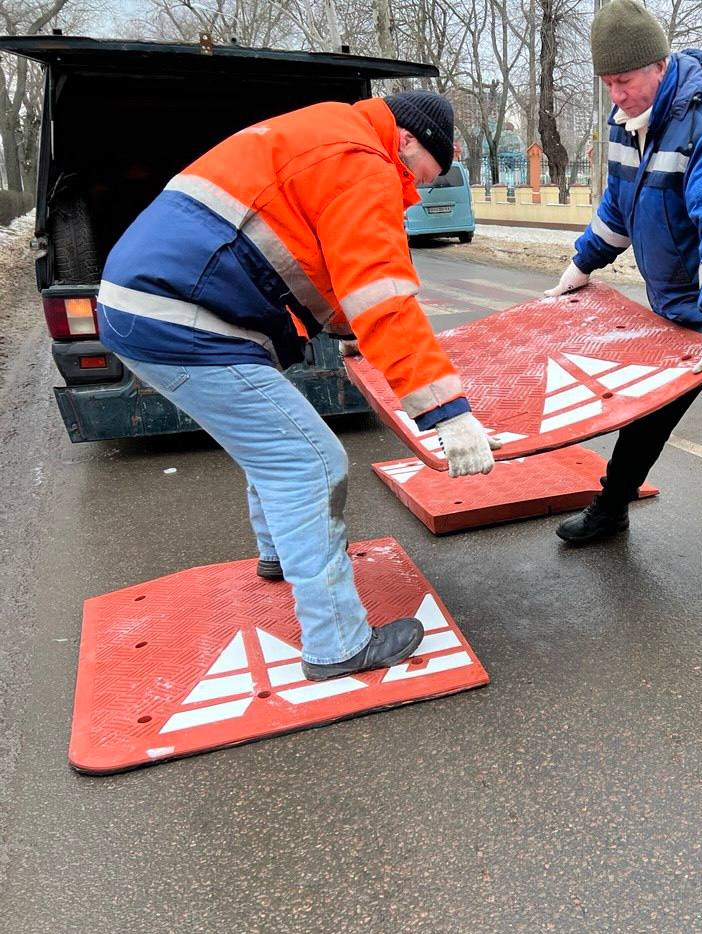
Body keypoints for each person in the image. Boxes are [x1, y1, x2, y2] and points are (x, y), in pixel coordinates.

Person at [97, 90, 499, 679]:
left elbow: (319, 261)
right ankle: (337, 645)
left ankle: (280, 556)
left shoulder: (329, 133)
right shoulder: (364, 162)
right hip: (181, 319)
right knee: (308, 462)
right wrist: (449, 413)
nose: (414, 190)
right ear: (407, 141)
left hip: (148, 306)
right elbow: (381, 295)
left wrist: (351, 328)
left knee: (274, 446)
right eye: (419, 175)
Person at [546, 0, 702, 601]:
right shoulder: (626, 120)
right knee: (645, 413)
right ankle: (612, 509)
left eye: (625, 80)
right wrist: (581, 263)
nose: (617, 94)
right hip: (678, 309)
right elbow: (619, 208)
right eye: (607, 82)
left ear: (659, 66)